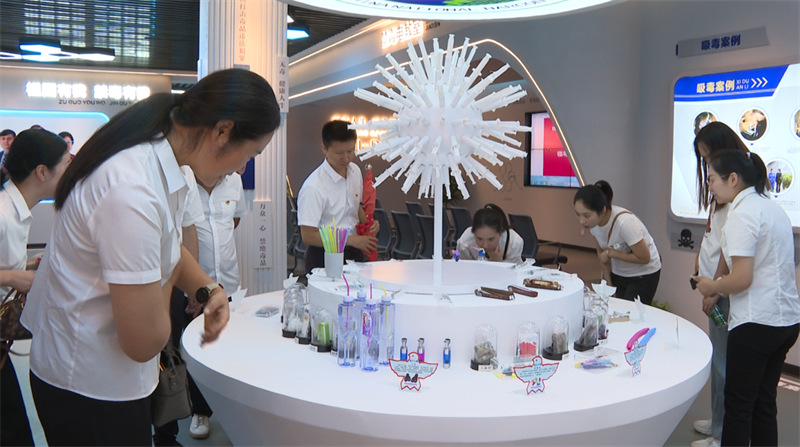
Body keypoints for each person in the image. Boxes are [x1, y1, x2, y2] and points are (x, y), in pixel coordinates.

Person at [20, 68, 281, 446]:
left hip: (108, 375)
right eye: (252, 154)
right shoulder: (132, 188)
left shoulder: (166, 162)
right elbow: (143, 341)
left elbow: (168, 245)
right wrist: (171, 278)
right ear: (223, 131)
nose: (242, 168)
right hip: (89, 383)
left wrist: (207, 288)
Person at [694, 151, 800, 447]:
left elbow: (742, 278)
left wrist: (711, 285)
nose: (710, 187)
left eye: (712, 180)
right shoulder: (772, 208)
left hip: (756, 324)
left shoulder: (741, 214)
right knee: (764, 403)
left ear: (733, 179)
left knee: (739, 408)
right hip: (786, 322)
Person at [0, 129, 70, 447]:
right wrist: (14, 278)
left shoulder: (15, 209)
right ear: (42, 172)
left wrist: (28, 266)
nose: (70, 172)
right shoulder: (3, 213)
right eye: (65, 164)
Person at [690, 121, 753, 447]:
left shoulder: (737, 197)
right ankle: (718, 422)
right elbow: (715, 236)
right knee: (719, 361)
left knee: (724, 365)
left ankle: (721, 434)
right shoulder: (725, 195)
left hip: (723, 291)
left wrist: (715, 288)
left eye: (707, 157)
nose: (706, 166)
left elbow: (730, 252)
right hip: (715, 286)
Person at [297, 120, 378, 273]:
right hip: (325, 255)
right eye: (339, 153)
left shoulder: (355, 171)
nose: (346, 158)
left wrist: (369, 223)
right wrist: (351, 240)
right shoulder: (313, 187)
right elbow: (308, 236)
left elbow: (355, 206)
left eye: (350, 151)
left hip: (355, 253)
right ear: (324, 149)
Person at [574, 180, 661, 305]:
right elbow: (602, 258)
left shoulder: (625, 224)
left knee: (630, 311)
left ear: (603, 210)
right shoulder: (594, 226)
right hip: (619, 272)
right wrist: (609, 285)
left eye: (586, 215)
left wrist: (612, 253)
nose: (582, 221)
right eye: (578, 214)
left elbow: (644, 257)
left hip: (643, 274)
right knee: (616, 307)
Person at [456, 204, 523, 263]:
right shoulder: (465, 243)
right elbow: (462, 268)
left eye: (491, 239)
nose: (485, 245)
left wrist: (496, 262)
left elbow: (512, 271)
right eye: (479, 239)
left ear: (500, 232)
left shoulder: (513, 243)